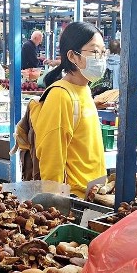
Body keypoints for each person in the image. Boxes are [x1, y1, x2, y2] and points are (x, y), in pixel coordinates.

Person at [32, 21, 106, 198]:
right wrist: (55, 205)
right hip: (74, 201)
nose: (101, 58)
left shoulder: (85, 89)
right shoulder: (60, 96)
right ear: (73, 56)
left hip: (93, 196)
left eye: (103, 52)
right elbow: (51, 159)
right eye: (95, 51)